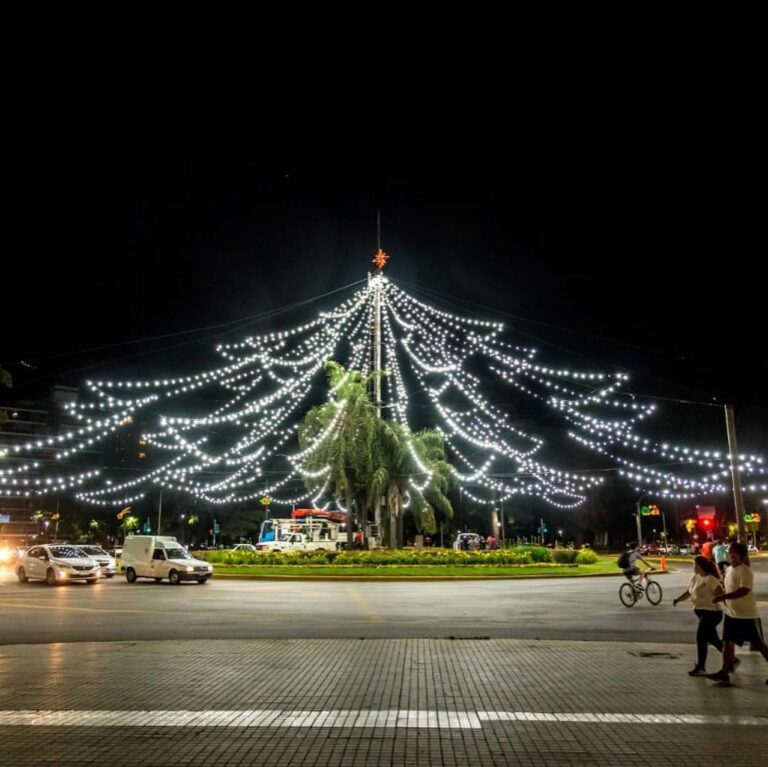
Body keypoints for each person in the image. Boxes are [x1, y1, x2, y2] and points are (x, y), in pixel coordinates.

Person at [706, 542, 768, 685]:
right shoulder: (728, 569)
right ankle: (724, 673)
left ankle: (724, 672)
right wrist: (721, 591)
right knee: (727, 643)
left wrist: (723, 597)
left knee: (759, 644)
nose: (731, 555)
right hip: (732, 613)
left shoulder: (745, 571)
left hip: (746, 615)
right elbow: (728, 588)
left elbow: (744, 590)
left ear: (741, 556)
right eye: (730, 552)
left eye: (734, 553)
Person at [672, 555, 724, 676]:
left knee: (701, 638)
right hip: (701, 613)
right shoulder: (695, 577)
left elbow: (720, 593)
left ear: (700, 566)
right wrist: (678, 599)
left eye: (694, 564)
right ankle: (731, 660)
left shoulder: (711, 579)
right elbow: (689, 592)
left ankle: (701, 667)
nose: (693, 567)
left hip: (712, 613)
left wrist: (720, 599)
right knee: (713, 639)